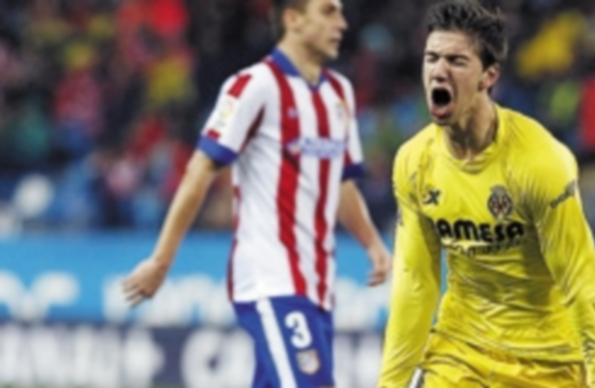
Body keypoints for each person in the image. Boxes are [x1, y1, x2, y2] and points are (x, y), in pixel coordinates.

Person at [121, 1, 392, 387]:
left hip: (318, 284)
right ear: (293, 18)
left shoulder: (339, 93)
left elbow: (341, 181)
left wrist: (373, 246)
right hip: (271, 279)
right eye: (329, 12)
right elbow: (199, 170)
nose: (342, 23)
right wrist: (161, 262)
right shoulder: (254, 86)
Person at [378, 1, 595, 387]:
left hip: (547, 361)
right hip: (460, 351)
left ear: (488, 75)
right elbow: (416, 282)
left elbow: (580, 284)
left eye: (456, 61)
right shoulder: (414, 162)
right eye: (432, 58)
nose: (438, 71)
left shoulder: (540, 162)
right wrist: (390, 383)